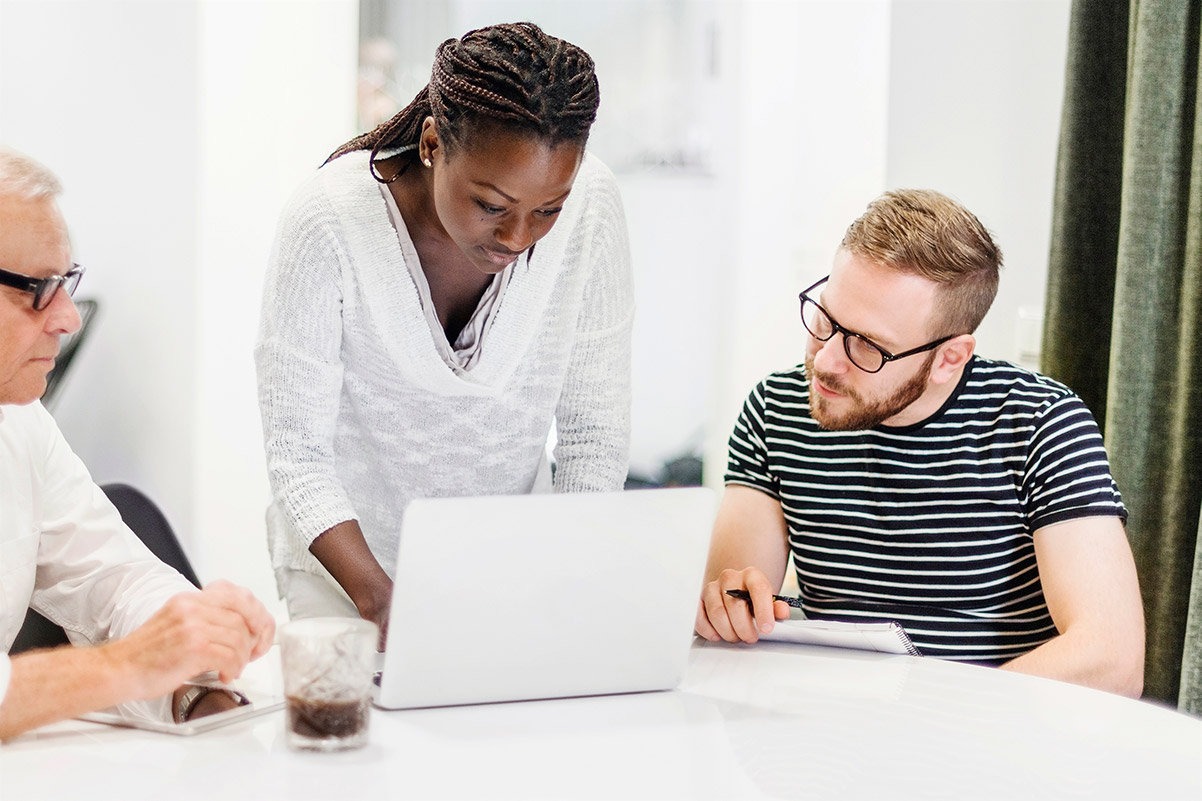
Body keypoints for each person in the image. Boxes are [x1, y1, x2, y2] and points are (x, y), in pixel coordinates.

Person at [256, 22, 633, 634]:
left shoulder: (592, 206)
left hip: (510, 573)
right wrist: (379, 599)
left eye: (547, 211)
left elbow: (594, 431)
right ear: (433, 143)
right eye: (491, 206)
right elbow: (297, 455)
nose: (516, 238)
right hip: (347, 582)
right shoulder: (327, 221)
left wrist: (567, 567)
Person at [695, 189, 1145, 697]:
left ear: (950, 357)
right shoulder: (777, 408)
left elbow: (1112, 660)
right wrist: (727, 608)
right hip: (825, 732)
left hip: (990, 739)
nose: (825, 361)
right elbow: (733, 616)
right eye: (825, 319)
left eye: (867, 345)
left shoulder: (1039, 420)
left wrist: (928, 716)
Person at [0, 147, 275, 739]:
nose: (69, 318)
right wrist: (128, 666)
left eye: (66, 282)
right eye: (37, 290)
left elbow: (115, 583)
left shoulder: (20, 422)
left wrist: (196, 663)